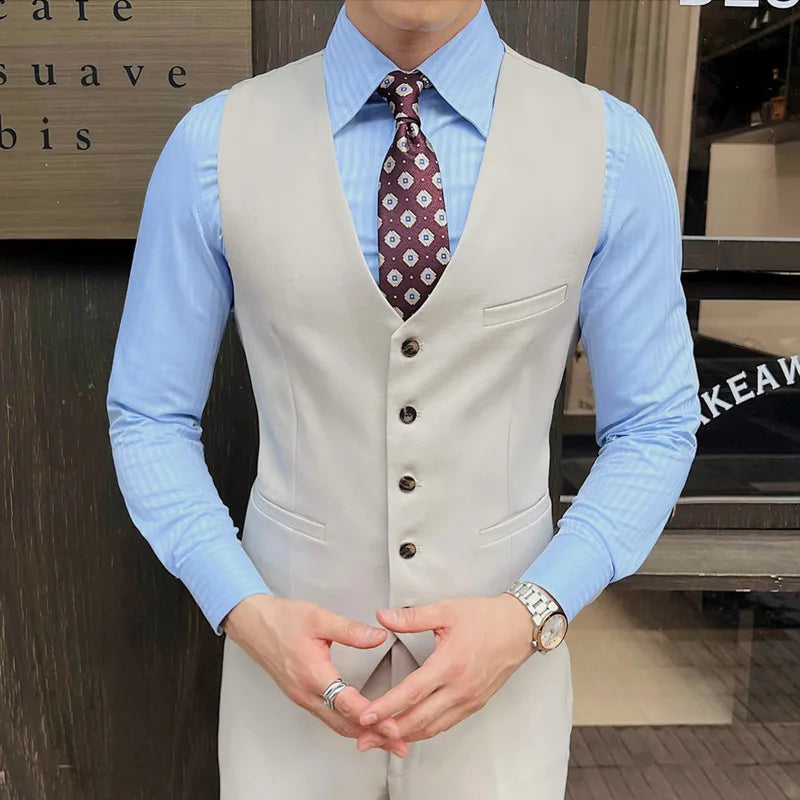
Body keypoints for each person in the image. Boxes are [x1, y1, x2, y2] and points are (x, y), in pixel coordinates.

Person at [106, 0, 702, 797]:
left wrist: (533, 611)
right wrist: (243, 608)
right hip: (284, 686)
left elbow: (655, 426)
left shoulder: (609, 147)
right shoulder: (213, 144)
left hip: (503, 690)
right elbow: (149, 415)